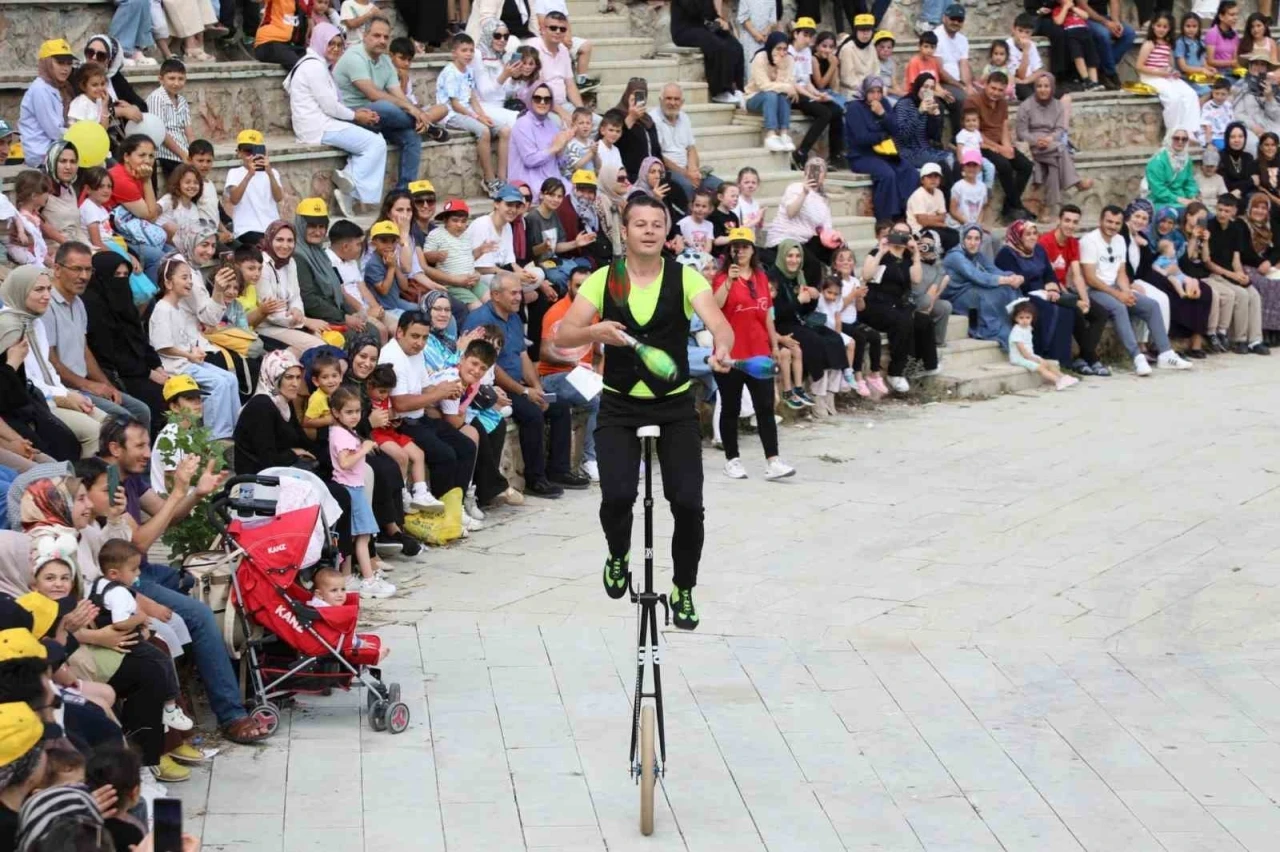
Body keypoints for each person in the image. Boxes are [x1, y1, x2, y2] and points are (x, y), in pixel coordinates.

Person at [553, 195, 735, 630]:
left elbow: (719, 324)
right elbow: (563, 335)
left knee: (688, 504)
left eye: (657, 223)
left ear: (666, 231)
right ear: (626, 231)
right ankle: (618, 553)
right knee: (618, 496)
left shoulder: (685, 277)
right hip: (619, 405)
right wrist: (595, 331)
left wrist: (723, 348)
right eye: (641, 224)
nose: (649, 230)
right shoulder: (604, 279)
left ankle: (683, 587)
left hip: (675, 406)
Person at [462, 274, 586, 495]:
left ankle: (559, 471)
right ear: (495, 295)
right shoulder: (479, 320)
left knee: (560, 407)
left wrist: (536, 387)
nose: (519, 297)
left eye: (519, 292)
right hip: (494, 389)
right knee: (532, 414)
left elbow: (523, 356)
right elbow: (489, 367)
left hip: (519, 384)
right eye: (513, 293)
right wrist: (524, 391)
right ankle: (535, 479)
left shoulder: (514, 318)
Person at [1, 261, 110, 458]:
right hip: (33, 404)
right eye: (38, 290)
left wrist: (66, 393)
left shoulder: (34, 321)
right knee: (96, 433)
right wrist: (63, 396)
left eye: (49, 289)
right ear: (20, 291)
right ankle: (86, 477)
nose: (46, 296)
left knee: (111, 425)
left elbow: (47, 369)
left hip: (51, 394)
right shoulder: (8, 327)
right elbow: (23, 382)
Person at [709, 228, 794, 479]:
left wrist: (774, 346)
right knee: (731, 407)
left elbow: (766, 314)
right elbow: (715, 305)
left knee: (765, 407)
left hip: (759, 352)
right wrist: (729, 281)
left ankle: (773, 460)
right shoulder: (721, 277)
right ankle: (732, 459)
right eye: (736, 246)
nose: (741, 250)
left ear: (752, 249)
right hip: (730, 353)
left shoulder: (760, 276)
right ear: (730, 250)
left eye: (745, 246)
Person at [41, 243, 152, 432]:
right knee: (125, 421)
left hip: (82, 383)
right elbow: (51, 362)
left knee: (141, 410)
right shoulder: (46, 305)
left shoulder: (78, 303)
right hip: (63, 389)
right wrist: (89, 385)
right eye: (77, 269)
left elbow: (84, 350)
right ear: (57, 269)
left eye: (88, 270)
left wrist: (106, 385)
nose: (84, 276)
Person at [334, 16, 448, 192]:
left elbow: (398, 94)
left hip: (379, 118)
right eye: (377, 35)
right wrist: (411, 109)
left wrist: (415, 111)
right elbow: (373, 94)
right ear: (365, 35)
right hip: (353, 115)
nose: (382, 41)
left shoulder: (386, 60)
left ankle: (404, 192)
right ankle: (429, 126)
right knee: (386, 106)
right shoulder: (354, 57)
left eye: (386, 37)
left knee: (412, 136)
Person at [285, 23, 388, 216]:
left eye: (339, 45)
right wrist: (356, 116)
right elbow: (330, 106)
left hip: (320, 123)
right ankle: (349, 186)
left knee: (375, 138)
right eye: (330, 43)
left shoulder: (315, 63)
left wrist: (356, 114)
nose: (335, 48)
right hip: (318, 127)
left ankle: (349, 183)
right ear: (319, 42)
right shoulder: (314, 67)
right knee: (376, 143)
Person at [378, 312, 481, 501]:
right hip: (401, 423)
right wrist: (438, 393)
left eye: (425, 337)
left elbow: (425, 387)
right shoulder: (391, 356)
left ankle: (457, 505)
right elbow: (400, 403)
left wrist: (447, 390)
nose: (420, 343)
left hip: (419, 417)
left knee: (466, 446)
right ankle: (444, 508)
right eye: (415, 336)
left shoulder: (415, 352)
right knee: (445, 455)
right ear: (400, 332)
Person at [1080, 205, 1193, 375]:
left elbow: (1121, 272)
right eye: (1109, 221)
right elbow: (1090, 278)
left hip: (1115, 287)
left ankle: (1166, 354)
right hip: (1094, 289)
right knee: (1119, 307)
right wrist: (1119, 295)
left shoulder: (1119, 240)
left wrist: (1126, 291)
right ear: (1100, 221)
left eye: (1117, 223)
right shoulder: (1089, 241)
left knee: (1151, 305)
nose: (1112, 226)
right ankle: (1137, 357)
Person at [147, 256, 242, 438]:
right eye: (184, 277)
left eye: (190, 277)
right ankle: (216, 436)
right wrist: (189, 355)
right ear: (168, 282)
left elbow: (186, 339)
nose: (190, 282)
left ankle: (236, 429)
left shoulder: (178, 308)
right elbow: (163, 347)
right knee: (219, 383)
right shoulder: (162, 309)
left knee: (230, 378)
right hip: (175, 366)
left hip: (188, 362)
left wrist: (194, 351)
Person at [327, 387, 396, 597]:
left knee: (351, 536)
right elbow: (345, 462)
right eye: (349, 412)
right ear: (336, 412)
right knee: (363, 537)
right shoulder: (343, 435)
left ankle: (347, 577)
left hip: (349, 486)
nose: (355, 416)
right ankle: (369, 580)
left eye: (357, 411)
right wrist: (364, 449)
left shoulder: (341, 431)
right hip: (351, 488)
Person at [1039, 204, 1111, 375]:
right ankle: (1092, 359)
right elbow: (1050, 277)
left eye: (1074, 222)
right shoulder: (1045, 242)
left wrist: (1085, 300)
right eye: (1067, 220)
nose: (1070, 225)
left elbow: (1077, 275)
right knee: (1076, 311)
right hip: (1050, 290)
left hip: (1065, 289)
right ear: (1059, 220)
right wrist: (1074, 300)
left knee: (1100, 313)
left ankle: (1082, 358)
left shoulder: (1073, 243)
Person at [995, 220, 1077, 366]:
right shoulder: (1006, 253)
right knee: (1047, 309)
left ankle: (1062, 360)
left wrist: (1052, 290)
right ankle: (1042, 352)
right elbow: (1016, 279)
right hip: (1021, 293)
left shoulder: (1038, 249)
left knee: (1067, 310)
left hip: (1042, 291)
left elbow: (1049, 273)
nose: (1033, 237)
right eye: (1028, 234)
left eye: (1035, 233)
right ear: (1018, 236)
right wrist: (1040, 290)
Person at [438, 33, 511, 196]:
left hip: (468, 112)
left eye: (471, 50)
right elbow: (455, 105)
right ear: (454, 53)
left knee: (505, 130)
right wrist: (477, 118)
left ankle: (502, 179)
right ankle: (490, 180)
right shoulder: (450, 72)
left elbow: (472, 98)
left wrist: (482, 115)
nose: (469, 54)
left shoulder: (469, 71)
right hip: (452, 115)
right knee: (484, 131)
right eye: (464, 50)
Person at [1205, 193, 1272, 354]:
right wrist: (1232, 275)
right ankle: (1240, 340)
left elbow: (1236, 258)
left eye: (1226, 211)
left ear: (1234, 211)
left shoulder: (1236, 228)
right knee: (1242, 295)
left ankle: (1255, 340)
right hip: (1215, 274)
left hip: (1231, 272)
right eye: (1220, 210)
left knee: (1254, 295)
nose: (1222, 214)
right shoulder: (1209, 226)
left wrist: (1240, 274)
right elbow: (1208, 263)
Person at [765, 158, 846, 289]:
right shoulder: (795, 188)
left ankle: (843, 286)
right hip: (785, 238)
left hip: (805, 240)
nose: (815, 173)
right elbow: (791, 212)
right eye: (812, 169)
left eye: (819, 171)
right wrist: (804, 193)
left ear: (824, 176)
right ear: (805, 173)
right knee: (813, 265)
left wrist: (837, 237)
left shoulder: (823, 200)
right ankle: (807, 296)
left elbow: (826, 230)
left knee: (841, 252)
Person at [1015, 74, 1091, 214]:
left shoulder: (1058, 105)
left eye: (1046, 86)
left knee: (1055, 163)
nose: (1043, 89)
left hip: (1051, 143)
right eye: (1039, 86)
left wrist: (1050, 138)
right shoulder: (1026, 106)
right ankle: (1076, 182)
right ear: (1035, 88)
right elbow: (1021, 132)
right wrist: (1035, 141)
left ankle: (1047, 207)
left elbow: (1060, 129)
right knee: (1061, 149)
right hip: (1032, 145)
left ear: (1052, 88)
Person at [966, 72, 1033, 223]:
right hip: (980, 144)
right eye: (993, 88)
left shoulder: (1002, 103)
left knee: (1026, 166)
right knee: (1004, 166)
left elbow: (1004, 127)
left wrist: (1007, 146)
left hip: (998, 143)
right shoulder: (973, 102)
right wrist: (999, 148)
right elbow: (974, 131)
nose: (996, 93)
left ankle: (1009, 207)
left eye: (1000, 90)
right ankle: (1017, 206)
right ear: (985, 85)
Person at [257, 220, 332, 354]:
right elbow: (271, 313)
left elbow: (295, 296)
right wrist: (304, 321)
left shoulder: (290, 262)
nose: (285, 245)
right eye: (279, 240)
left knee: (328, 339)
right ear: (269, 239)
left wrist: (297, 310)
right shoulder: (262, 265)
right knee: (319, 347)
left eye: (290, 240)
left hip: (291, 322)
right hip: (267, 327)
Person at [943, 223, 1023, 344]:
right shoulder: (955, 256)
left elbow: (994, 270)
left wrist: (1014, 277)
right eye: (969, 238)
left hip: (971, 289)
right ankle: (993, 329)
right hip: (956, 296)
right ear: (962, 239)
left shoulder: (977, 255)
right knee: (988, 295)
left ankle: (1015, 326)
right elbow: (976, 276)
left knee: (1008, 288)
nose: (973, 243)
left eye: (977, 239)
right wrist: (1006, 280)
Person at [651, 84, 723, 201]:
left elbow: (691, 147)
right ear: (660, 100)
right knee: (687, 187)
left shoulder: (684, 117)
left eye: (676, 99)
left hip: (687, 170)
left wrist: (693, 170)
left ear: (682, 102)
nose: (672, 103)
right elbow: (658, 155)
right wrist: (685, 174)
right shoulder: (653, 119)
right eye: (668, 98)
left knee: (720, 187)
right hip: (668, 171)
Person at [1138, 14, 1204, 139]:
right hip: (1150, 76)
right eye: (1159, 26)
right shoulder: (1149, 44)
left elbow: (1167, 64)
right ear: (1153, 26)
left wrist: (1173, 72)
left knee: (1190, 94)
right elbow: (1139, 66)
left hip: (1165, 75)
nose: (1161, 29)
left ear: (1169, 29)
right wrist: (1159, 73)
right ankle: (1172, 132)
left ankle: (1190, 131)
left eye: (1165, 27)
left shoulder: (1167, 44)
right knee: (1174, 98)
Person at [669, 0, 746, 106]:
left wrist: (718, 20)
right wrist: (711, 19)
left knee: (735, 45)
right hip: (684, 30)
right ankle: (720, 91)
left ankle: (737, 88)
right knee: (717, 45)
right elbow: (694, 11)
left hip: (703, 28)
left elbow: (710, 13)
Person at [19, 41, 75, 168]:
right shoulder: (40, 89)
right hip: (41, 156)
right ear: (47, 63)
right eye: (60, 62)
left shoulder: (62, 88)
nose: (65, 68)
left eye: (69, 63)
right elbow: (55, 131)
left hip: (57, 152)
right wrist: (80, 136)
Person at [508, 83, 571, 194]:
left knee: (577, 193)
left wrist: (561, 149)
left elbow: (562, 164)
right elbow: (530, 160)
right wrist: (554, 148)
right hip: (528, 182)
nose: (542, 102)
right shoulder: (523, 124)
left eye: (547, 99)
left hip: (552, 180)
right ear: (530, 100)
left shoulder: (551, 124)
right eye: (537, 98)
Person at [891, 73, 954, 178]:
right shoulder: (904, 104)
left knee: (953, 159)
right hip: (907, 152)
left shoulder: (928, 104)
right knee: (945, 162)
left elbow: (934, 137)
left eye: (931, 88)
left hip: (924, 149)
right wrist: (919, 112)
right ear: (918, 87)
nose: (927, 91)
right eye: (925, 87)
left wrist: (935, 117)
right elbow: (902, 135)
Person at [746, 33, 799, 154]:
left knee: (782, 94)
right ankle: (770, 135)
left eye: (785, 49)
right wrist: (786, 87)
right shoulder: (760, 57)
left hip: (777, 99)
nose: (782, 53)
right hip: (754, 97)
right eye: (778, 49)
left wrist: (780, 67)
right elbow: (764, 86)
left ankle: (784, 134)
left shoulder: (789, 59)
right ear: (771, 47)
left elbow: (788, 83)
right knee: (771, 93)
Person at [1008, 299, 1078, 389]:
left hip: (1029, 355)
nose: (1024, 320)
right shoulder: (1017, 331)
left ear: (1032, 317)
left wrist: (1034, 357)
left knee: (1047, 363)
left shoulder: (1028, 328)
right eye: (1021, 318)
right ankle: (1057, 381)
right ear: (1015, 318)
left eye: (1027, 317)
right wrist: (1032, 359)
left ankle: (1063, 377)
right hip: (1019, 358)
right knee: (1041, 367)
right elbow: (1021, 349)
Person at [39, 141, 87, 251]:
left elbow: (76, 229)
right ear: (53, 162)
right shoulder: (42, 189)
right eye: (63, 161)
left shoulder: (70, 189)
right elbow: (33, 220)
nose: (68, 167)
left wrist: (91, 249)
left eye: (73, 162)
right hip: (55, 251)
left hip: (76, 247)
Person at [933, 5, 972, 138]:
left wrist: (967, 85)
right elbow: (939, 70)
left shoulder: (963, 39)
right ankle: (958, 139)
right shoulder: (936, 36)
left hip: (956, 82)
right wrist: (960, 86)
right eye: (953, 18)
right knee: (962, 98)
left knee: (980, 96)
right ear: (944, 18)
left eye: (959, 20)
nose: (956, 22)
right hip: (941, 82)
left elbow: (964, 64)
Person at [1084, 0, 1137, 89]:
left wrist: (1116, 22)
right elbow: (1083, 6)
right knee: (1104, 34)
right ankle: (1111, 73)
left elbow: (1114, 2)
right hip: (1086, 18)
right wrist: (1106, 23)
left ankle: (1102, 69)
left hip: (1104, 18)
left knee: (1129, 33)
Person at [1146, 128, 1201, 208]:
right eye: (1176, 138)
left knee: (1202, 212)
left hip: (1183, 199)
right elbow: (1158, 189)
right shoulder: (1158, 161)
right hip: (1160, 201)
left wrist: (1192, 197)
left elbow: (1189, 182)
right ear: (1169, 139)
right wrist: (1179, 199)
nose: (1180, 142)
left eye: (1184, 139)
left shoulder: (1187, 159)